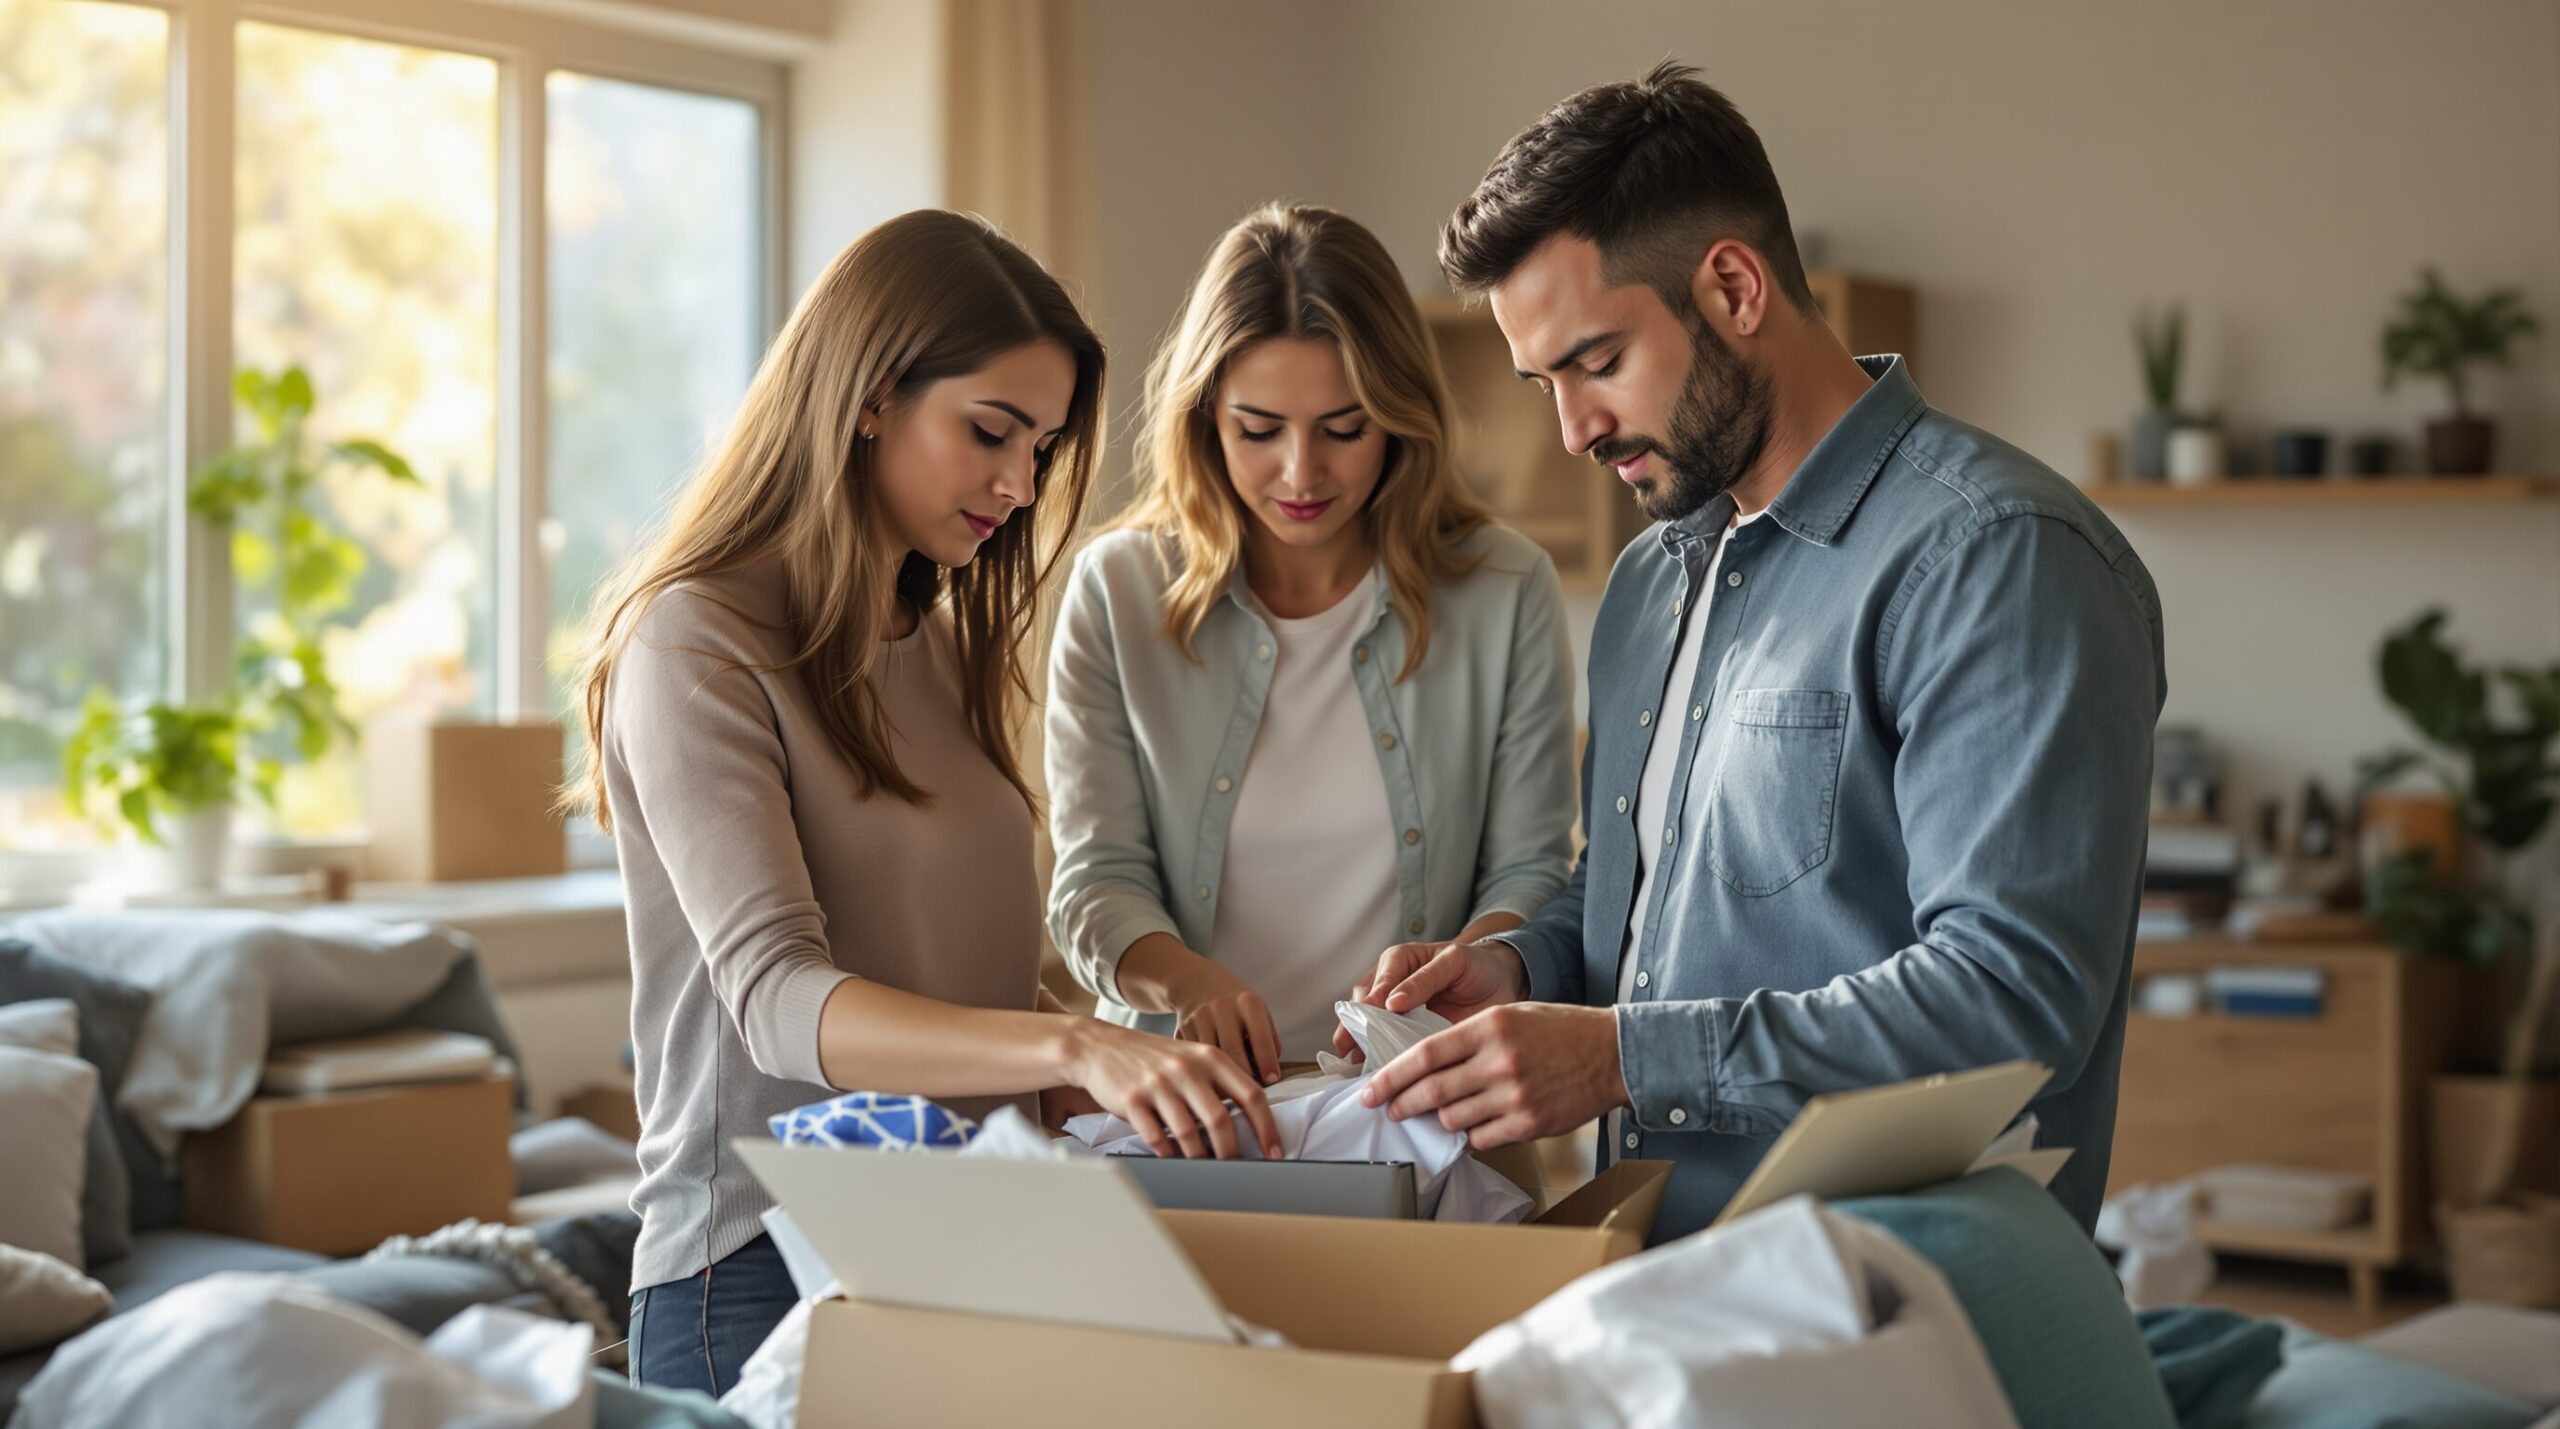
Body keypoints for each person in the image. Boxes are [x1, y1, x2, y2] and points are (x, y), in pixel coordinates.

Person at [1347, 62, 2166, 1242]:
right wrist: (1520, 971)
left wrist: (1623, 1057)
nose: (1571, 429)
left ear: (1731, 286)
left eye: (1595, 362)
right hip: (1666, 1272)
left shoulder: (1997, 556)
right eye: (1543, 383)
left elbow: (2011, 999)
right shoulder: (1652, 577)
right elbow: (1636, 892)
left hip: (1904, 1306)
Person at [566, 210, 1280, 1396]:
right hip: (755, 1266)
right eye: (990, 431)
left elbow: (963, 976)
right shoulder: (693, 639)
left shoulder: (939, 641)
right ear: (867, 396)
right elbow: (780, 1005)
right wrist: (1074, 1043)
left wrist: (1142, 1064)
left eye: (1042, 447)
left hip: (960, 1236)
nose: (1019, 483)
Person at [1046, 203, 1577, 1081]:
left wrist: (1456, 971)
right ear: (1206, 417)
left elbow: (1530, 871)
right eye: (1259, 430)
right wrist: (1189, 983)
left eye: (1344, 428)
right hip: (1175, 1111)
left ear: (1400, 417)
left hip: (1422, 1105)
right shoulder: (1118, 590)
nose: (1301, 473)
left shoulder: (1504, 589)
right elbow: (1094, 881)